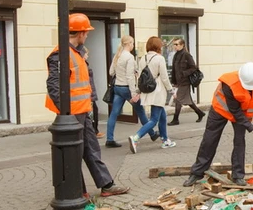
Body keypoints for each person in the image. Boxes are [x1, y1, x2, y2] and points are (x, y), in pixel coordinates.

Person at [45, 13, 129, 197]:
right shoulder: (61, 55)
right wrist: (65, 114)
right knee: (73, 153)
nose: (88, 35)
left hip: (82, 111)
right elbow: (53, 86)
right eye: (87, 31)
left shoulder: (76, 53)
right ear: (80, 33)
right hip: (71, 115)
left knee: (91, 148)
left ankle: (106, 184)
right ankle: (78, 191)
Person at [183, 62, 253, 187]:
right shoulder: (230, 84)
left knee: (239, 141)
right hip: (220, 110)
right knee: (209, 140)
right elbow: (235, 112)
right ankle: (197, 173)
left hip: (241, 112)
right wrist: (251, 128)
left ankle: (238, 176)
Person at [127, 37, 176, 153]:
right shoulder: (160, 59)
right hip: (158, 91)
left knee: (162, 115)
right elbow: (164, 77)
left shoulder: (142, 59)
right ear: (158, 46)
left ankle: (165, 140)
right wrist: (171, 91)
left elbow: (140, 77)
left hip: (147, 91)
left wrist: (138, 92)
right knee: (154, 119)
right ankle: (135, 138)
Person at [105, 35, 152, 148]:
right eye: (132, 43)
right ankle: (152, 134)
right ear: (129, 44)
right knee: (140, 111)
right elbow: (130, 77)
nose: (133, 45)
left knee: (114, 114)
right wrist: (133, 93)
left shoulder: (117, 55)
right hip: (126, 88)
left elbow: (111, 72)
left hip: (117, 88)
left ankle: (109, 139)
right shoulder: (129, 57)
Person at [169, 38, 205, 125]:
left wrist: (184, 73)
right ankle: (200, 113)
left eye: (177, 44)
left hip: (185, 81)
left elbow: (194, 67)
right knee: (188, 101)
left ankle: (176, 119)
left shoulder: (186, 55)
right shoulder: (176, 55)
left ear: (182, 45)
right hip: (179, 81)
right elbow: (174, 70)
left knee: (178, 99)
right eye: (174, 44)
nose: (175, 46)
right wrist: (174, 81)